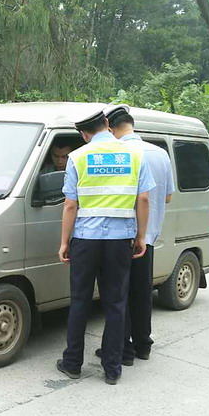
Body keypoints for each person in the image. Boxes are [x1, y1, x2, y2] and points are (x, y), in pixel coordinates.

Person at [56, 108, 155, 385]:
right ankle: (112, 368)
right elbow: (143, 200)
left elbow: (70, 205)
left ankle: (72, 363)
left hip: (85, 240)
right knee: (115, 303)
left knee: (80, 301)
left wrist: (64, 242)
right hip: (120, 240)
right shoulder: (135, 156)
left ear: (83, 134)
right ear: (107, 124)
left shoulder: (78, 157)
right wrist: (141, 236)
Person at [91, 104, 175, 364]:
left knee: (118, 296)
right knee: (141, 292)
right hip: (148, 238)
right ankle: (143, 344)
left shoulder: (118, 154)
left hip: (120, 235)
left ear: (110, 128)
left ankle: (122, 350)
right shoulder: (160, 154)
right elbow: (168, 197)